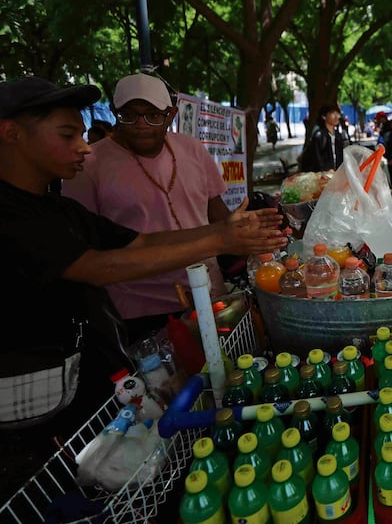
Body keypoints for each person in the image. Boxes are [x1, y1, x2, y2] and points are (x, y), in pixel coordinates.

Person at [0, 75, 284, 445]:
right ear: (11, 133)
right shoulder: (11, 214)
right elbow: (100, 266)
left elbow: (140, 241)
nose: (84, 148)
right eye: (67, 135)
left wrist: (226, 231)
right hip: (33, 406)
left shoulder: (57, 210)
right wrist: (220, 237)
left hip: (86, 377)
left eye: (154, 116)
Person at [62, 73, 237, 341]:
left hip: (208, 292)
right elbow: (86, 247)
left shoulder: (192, 149)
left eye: (153, 115)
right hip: (138, 310)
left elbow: (219, 215)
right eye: (129, 115)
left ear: (171, 114)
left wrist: (246, 234)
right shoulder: (89, 164)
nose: (141, 124)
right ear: (114, 113)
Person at [300, 104, 346, 173]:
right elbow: (316, 158)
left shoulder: (338, 135)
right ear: (324, 116)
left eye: (337, 114)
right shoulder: (319, 135)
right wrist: (325, 171)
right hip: (322, 176)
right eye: (332, 114)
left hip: (335, 174)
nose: (336, 117)